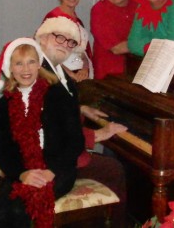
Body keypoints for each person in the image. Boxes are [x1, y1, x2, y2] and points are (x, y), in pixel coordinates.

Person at [34, 16, 128, 227]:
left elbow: (57, 112)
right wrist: (99, 135)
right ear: (43, 37)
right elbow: (52, 128)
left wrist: (81, 109)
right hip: (51, 162)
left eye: (71, 42)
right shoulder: (41, 75)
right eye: (60, 37)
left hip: (55, 153)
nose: (65, 45)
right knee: (114, 169)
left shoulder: (51, 68)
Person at [0, 38, 84, 227]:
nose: (26, 69)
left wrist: (51, 171)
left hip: (58, 169)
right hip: (21, 169)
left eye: (31, 62)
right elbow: (1, 151)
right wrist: (22, 174)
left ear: (39, 64)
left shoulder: (58, 96)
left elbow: (75, 141)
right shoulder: (1, 107)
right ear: (10, 69)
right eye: (19, 63)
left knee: (19, 210)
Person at [90, 0, 139, 79]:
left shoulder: (140, 4)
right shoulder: (99, 10)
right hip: (110, 79)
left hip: (136, 74)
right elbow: (117, 48)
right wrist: (151, 45)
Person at [43, 0, 93, 82]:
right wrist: (71, 75)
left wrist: (85, 69)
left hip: (81, 76)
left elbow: (83, 51)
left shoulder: (78, 20)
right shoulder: (53, 18)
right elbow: (48, 57)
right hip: (62, 78)